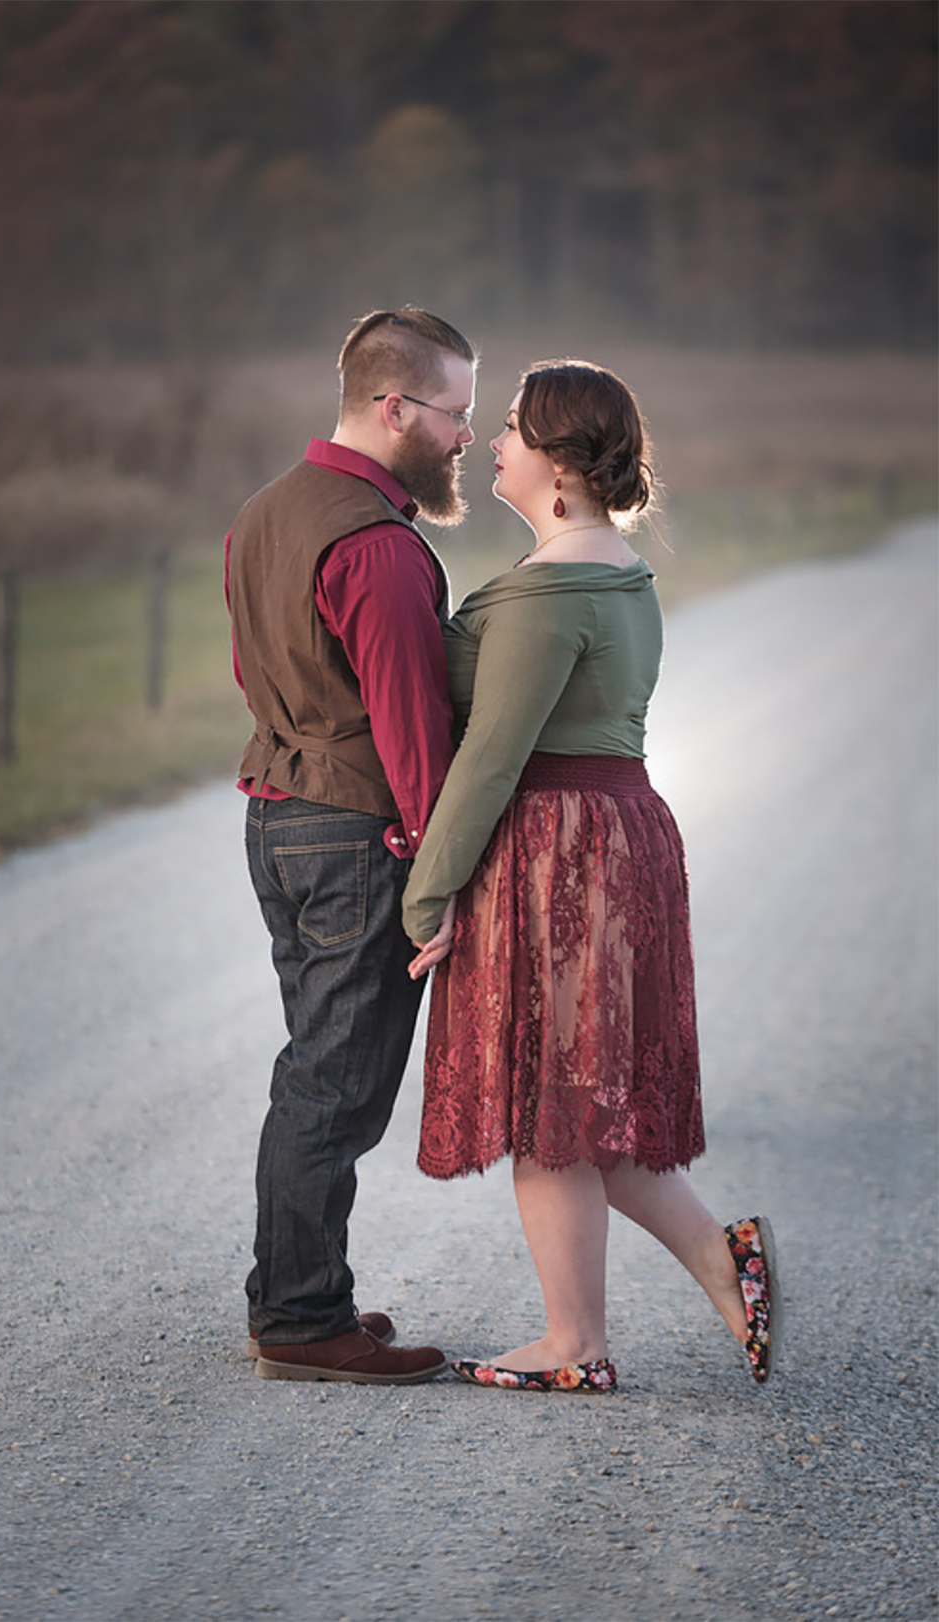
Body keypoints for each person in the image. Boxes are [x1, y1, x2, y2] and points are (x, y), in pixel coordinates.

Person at [401, 359, 780, 1393]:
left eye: (514, 428)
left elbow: (490, 759)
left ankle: (576, 1343)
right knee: (587, 1106)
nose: (493, 442)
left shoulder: (550, 589)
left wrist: (425, 896)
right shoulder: (622, 569)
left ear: (560, 465)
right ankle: (720, 1255)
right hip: (622, 835)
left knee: (551, 1113)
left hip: (559, 855)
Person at [225, 307, 478, 1383]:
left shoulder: (264, 514)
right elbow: (413, 729)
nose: (467, 434)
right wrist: (442, 873)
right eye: (457, 412)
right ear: (395, 407)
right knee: (336, 1083)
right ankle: (298, 1319)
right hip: (353, 830)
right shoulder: (376, 545)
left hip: (277, 816)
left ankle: (299, 1294)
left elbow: (258, 674)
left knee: (314, 1069)